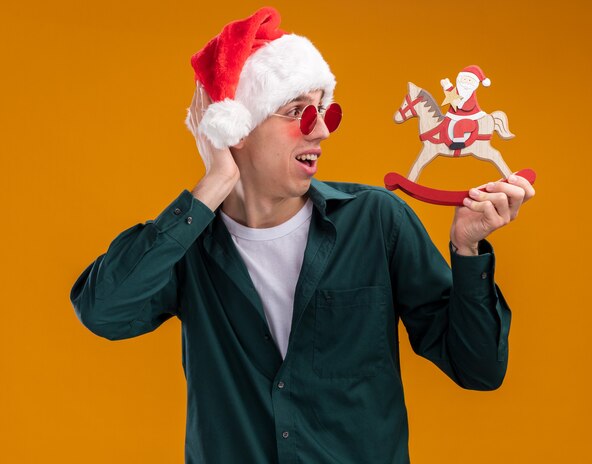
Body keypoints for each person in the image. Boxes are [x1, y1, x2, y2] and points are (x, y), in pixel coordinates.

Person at [70, 7, 535, 464]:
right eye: (296, 111)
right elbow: (103, 311)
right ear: (238, 129)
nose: (320, 131)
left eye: (323, 112)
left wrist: (467, 249)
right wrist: (211, 184)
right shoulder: (189, 246)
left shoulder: (377, 221)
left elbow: (478, 369)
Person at [441, 65, 491, 150]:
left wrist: (458, 102)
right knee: (443, 123)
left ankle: (458, 143)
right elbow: (452, 94)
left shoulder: (470, 95)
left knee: (459, 126)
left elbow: (468, 106)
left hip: (470, 117)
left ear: (475, 83)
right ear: (460, 79)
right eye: (465, 79)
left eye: (470, 80)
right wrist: (447, 86)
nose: (467, 82)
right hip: (452, 115)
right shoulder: (458, 91)